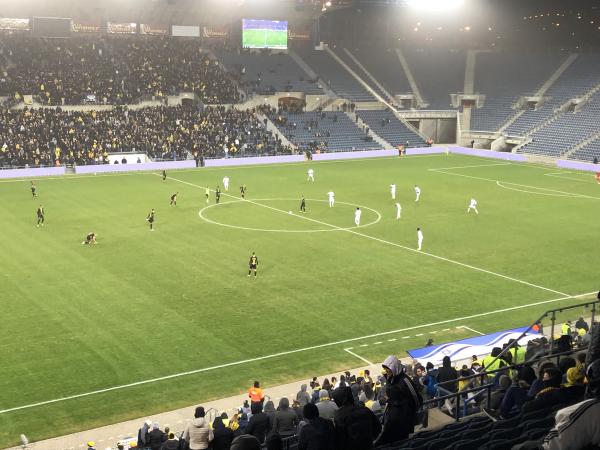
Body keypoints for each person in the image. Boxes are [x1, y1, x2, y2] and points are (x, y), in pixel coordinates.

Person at [374, 355, 422, 446]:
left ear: (394, 367)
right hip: (393, 416)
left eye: (388, 368)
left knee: (400, 441)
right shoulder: (390, 378)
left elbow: (417, 399)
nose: (386, 370)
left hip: (403, 418)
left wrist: (410, 413)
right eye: (385, 368)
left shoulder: (405, 380)